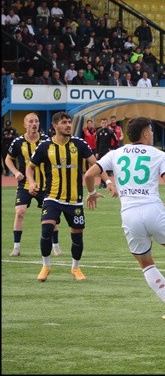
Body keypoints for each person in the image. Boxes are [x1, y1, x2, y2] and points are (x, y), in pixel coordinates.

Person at [84, 117, 165, 320]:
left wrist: (91, 193)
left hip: (129, 214)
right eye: (150, 131)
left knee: (146, 263)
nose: (152, 134)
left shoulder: (116, 153)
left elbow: (89, 175)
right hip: (153, 209)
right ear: (145, 134)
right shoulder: (158, 154)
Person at [27, 112, 107, 282]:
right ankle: (46, 266)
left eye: (69, 122)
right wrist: (32, 182)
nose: (68, 125)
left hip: (74, 200)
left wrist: (107, 181)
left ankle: (75, 268)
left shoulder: (79, 144)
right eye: (64, 122)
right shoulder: (45, 146)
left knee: (77, 235)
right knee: (47, 229)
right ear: (55, 126)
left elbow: (97, 164)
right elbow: (30, 167)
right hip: (52, 197)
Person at [4, 113, 61, 257]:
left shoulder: (46, 141)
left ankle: (56, 246)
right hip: (25, 185)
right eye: (31, 121)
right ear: (25, 125)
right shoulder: (18, 142)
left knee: (51, 216)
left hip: (45, 186)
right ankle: (16, 247)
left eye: (36, 121)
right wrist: (16, 172)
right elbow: (8, 159)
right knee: (20, 212)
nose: (34, 124)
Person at [95, 118, 118, 189]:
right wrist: (97, 152)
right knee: (101, 167)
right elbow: (97, 142)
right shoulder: (98, 131)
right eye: (103, 123)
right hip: (100, 151)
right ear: (101, 123)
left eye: (105, 123)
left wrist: (112, 148)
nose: (104, 124)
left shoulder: (110, 131)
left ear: (107, 123)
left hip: (107, 152)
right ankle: (102, 182)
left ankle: (106, 182)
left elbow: (116, 140)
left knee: (106, 167)